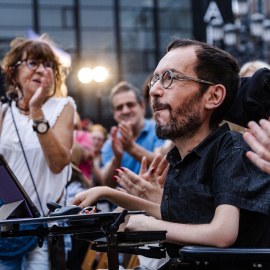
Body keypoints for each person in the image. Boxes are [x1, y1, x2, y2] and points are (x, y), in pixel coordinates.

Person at [73, 38, 270, 269]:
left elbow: (222, 233)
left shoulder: (231, 149)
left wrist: (144, 224)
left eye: (170, 78)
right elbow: (176, 215)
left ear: (213, 97)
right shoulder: (180, 158)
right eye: (156, 79)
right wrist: (108, 194)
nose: (154, 90)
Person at [0, 37, 75, 269]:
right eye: (33, 63)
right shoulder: (3, 111)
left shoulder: (64, 107)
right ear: (14, 73)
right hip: (8, 226)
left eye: (48, 65)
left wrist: (36, 110)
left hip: (47, 226)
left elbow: (58, 163)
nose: (42, 69)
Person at [101, 81, 165, 188]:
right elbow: (107, 183)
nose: (125, 110)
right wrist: (117, 158)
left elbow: (163, 166)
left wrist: (130, 147)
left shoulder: (159, 130)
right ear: (114, 115)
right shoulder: (110, 144)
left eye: (130, 104)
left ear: (142, 107)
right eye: (119, 107)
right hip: (121, 205)